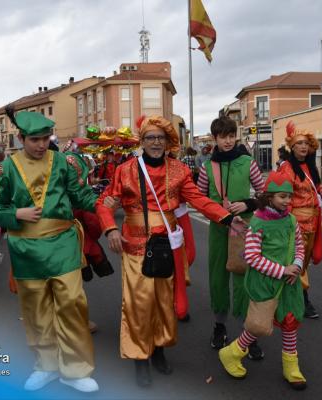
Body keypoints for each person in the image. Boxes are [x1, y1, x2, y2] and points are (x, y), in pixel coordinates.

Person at [96, 115, 239, 387]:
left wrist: (228, 217)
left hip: (168, 248)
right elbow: (104, 203)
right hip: (135, 247)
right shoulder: (125, 171)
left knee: (164, 304)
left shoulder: (179, 171)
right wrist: (110, 229)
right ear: (142, 141)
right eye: (150, 138)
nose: (155, 143)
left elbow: (198, 199)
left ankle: (159, 351)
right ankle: (140, 359)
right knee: (139, 305)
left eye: (160, 138)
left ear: (167, 141)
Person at [0, 107, 99, 392]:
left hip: (63, 245)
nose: (41, 145)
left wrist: (108, 205)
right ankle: (46, 366)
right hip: (26, 249)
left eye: (45, 138)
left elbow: (81, 196)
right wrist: (16, 214)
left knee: (72, 304)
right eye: (35, 139)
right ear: (21, 138)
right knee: (36, 310)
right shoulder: (4, 169)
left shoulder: (63, 162)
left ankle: (75, 369)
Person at [218, 173, 307, 390]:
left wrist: (296, 265)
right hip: (265, 282)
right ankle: (231, 353)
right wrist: (281, 270)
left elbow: (298, 245)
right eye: (282, 197)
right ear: (269, 197)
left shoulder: (292, 220)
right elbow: (252, 257)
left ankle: (291, 367)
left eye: (289, 197)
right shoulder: (258, 222)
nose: (287, 201)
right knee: (258, 325)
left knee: (289, 321)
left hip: (289, 282)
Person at [196, 116, 265, 358]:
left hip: (244, 229)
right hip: (218, 230)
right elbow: (200, 201)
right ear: (215, 138)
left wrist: (246, 204)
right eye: (223, 136)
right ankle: (220, 326)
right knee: (218, 276)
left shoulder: (248, 162)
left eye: (231, 136)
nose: (228, 141)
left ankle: (249, 333)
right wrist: (219, 210)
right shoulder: (206, 167)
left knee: (245, 278)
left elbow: (264, 194)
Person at [276, 121, 322, 319]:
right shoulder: (288, 168)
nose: (303, 146)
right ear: (292, 146)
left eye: (306, 143)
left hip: (313, 222)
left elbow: (317, 192)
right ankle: (302, 301)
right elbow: (284, 197)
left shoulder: (310, 167)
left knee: (304, 262)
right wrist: (287, 224)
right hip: (297, 223)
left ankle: (296, 298)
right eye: (299, 143)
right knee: (297, 262)